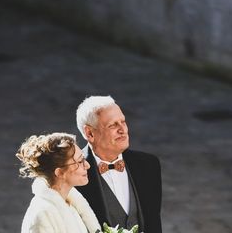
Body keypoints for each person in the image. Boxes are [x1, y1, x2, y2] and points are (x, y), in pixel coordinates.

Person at [75, 96, 162, 233]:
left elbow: (154, 223)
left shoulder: (149, 165)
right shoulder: (72, 173)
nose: (123, 130)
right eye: (113, 125)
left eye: (123, 122)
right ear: (90, 133)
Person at [16, 132, 101, 233]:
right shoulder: (42, 214)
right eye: (79, 161)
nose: (87, 165)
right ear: (59, 172)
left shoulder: (71, 205)